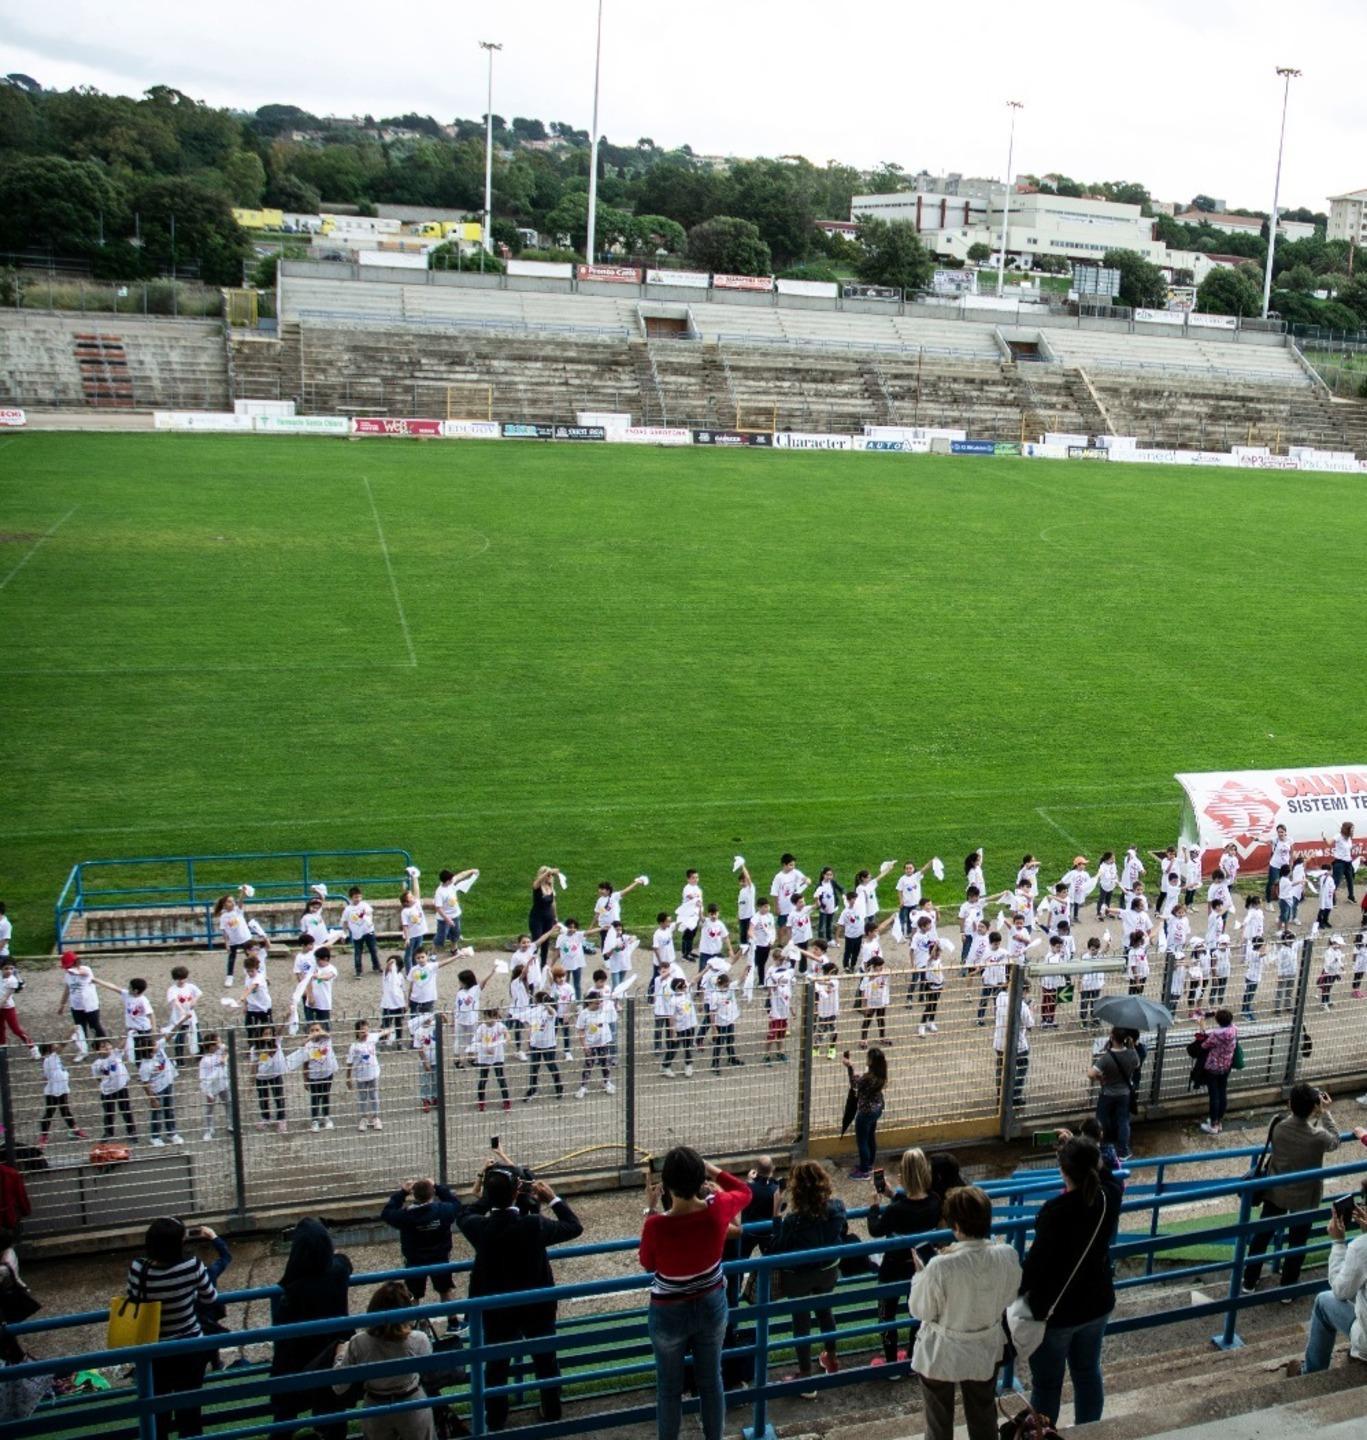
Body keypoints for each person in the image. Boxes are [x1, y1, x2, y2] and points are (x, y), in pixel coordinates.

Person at [457, 1163, 582, 1430]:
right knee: (545, 1359)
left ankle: (496, 1418)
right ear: (516, 1192)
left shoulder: (480, 1227)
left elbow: (465, 1213)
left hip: (496, 1307)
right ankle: (552, 1409)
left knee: (496, 1365)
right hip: (537, 1304)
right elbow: (573, 1226)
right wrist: (552, 1198)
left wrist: (489, 1196)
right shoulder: (533, 1224)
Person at [640, 1150, 749, 1440]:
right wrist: (712, 1170)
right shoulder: (717, 1208)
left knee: (669, 1388)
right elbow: (743, 1191)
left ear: (666, 1185)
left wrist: (649, 1208)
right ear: (699, 1178)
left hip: (668, 1310)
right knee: (711, 1381)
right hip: (711, 1302)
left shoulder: (656, 1224)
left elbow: (648, 1263)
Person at [1019, 1138, 1121, 1427]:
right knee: (1088, 1372)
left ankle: (1044, 1434)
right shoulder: (1109, 1197)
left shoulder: (1054, 1211)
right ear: (1096, 1164)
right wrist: (1081, 1150)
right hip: (1098, 1303)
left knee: (1047, 1386)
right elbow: (1108, 1175)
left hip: (1057, 1313)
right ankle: (1088, 1432)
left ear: (1063, 1172)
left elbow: (1034, 1270)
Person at [909, 1185, 1021, 1440]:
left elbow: (920, 1310)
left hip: (941, 1353)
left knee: (938, 1423)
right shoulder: (1007, 1255)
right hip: (984, 1349)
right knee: (983, 1416)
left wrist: (920, 1275)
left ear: (955, 1225)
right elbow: (1009, 1297)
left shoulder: (939, 1266)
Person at [1242, 1082, 1340, 1295]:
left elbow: (1297, 1129)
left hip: (1275, 1190)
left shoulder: (1277, 1125)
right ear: (1314, 1107)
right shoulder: (1318, 1137)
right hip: (1305, 1197)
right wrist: (1325, 1113)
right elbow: (1334, 1141)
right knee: (1298, 1242)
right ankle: (1287, 1287)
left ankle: (1249, 1280)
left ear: (1289, 1103)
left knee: (1262, 1236)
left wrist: (1312, 1110)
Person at [127, 1216, 219, 1438]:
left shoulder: (138, 1268)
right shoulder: (192, 1265)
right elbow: (210, 1298)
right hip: (189, 1349)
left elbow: (131, 1298)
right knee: (190, 1413)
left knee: (158, 1415)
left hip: (154, 1352)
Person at [270, 1218, 354, 1440]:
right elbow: (344, 1261)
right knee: (334, 1412)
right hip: (331, 1361)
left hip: (297, 1368)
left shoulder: (292, 1289)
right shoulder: (338, 1272)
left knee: (284, 1416)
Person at [771, 1160, 846, 1396]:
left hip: (800, 1276)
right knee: (825, 1311)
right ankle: (831, 1359)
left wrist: (775, 1215)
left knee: (801, 1323)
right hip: (828, 1270)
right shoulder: (837, 1208)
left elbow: (776, 1248)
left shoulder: (793, 1221)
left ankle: (806, 1378)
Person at [867, 1147, 942, 1371]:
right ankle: (913, 1357)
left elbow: (876, 1229)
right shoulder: (935, 1201)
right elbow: (915, 1204)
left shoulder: (896, 1211)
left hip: (893, 1267)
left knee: (887, 1314)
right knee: (917, 1313)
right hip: (921, 1266)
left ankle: (891, 1364)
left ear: (904, 1176)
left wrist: (873, 1207)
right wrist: (893, 1194)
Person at [333, 1280, 435, 1440]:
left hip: (375, 1407)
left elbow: (338, 1386)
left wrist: (340, 1353)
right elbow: (430, 1368)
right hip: (412, 1402)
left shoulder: (358, 1342)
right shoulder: (419, 1339)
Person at [1293, 1183, 1367, 1374]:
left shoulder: (1361, 1248)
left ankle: (1311, 1371)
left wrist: (1338, 1242)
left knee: (1323, 1301)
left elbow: (1340, 1292)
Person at [382, 1177, 464, 1307]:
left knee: (413, 1295)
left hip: (415, 1260)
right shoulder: (443, 1210)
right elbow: (455, 1203)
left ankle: (416, 1323)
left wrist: (402, 1192)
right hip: (440, 1258)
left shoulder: (406, 1216)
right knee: (445, 1291)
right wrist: (437, 1187)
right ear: (432, 1193)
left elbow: (386, 1213)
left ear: (414, 1194)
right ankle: (453, 1322)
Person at [1089, 1030, 1140, 1160]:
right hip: (1124, 1094)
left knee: (1102, 1121)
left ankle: (1103, 1148)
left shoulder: (1106, 1058)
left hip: (1107, 1094)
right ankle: (1123, 1151)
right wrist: (1132, 1047)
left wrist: (1100, 1078)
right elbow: (1137, 1064)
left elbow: (1091, 1074)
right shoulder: (1132, 1054)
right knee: (1123, 1121)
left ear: (1111, 1037)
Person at [844, 1047, 887, 1180]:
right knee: (870, 1137)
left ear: (871, 1061)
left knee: (862, 1141)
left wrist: (850, 1067)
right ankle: (869, 1164)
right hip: (877, 1109)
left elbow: (855, 1085)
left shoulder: (869, 1078)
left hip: (866, 1112)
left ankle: (864, 1171)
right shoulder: (880, 1074)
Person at [1195, 1008, 1238, 1136]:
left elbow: (1204, 1045)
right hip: (1226, 1065)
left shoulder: (1216, 1035)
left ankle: (1213, 1125)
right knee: (1222, 1092)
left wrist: (1202, 1026)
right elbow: (1227, 1020)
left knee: (1214, 1095)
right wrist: (1216, 1014)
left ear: (1218, 1021)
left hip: (1213, 1068)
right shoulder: (1234, 1029)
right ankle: (1218, 1121)